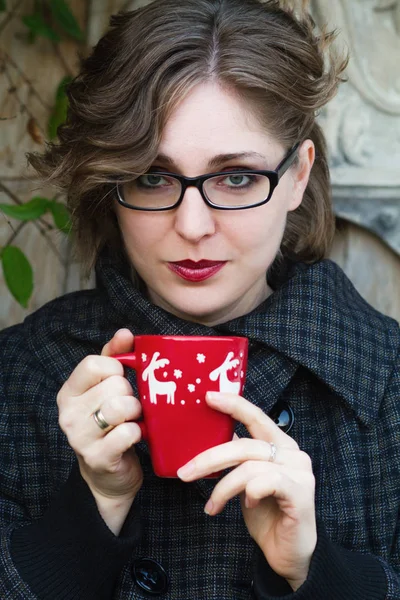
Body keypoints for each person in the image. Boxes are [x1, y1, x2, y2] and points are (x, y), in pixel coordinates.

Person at [1, 0, 399, 598]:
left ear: (296, 177)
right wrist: (91, 514)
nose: (192, 225)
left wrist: (316, 573)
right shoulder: (21, 375)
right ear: (113, 185)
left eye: (236, 176)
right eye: (153, 177)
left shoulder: (388, 383)